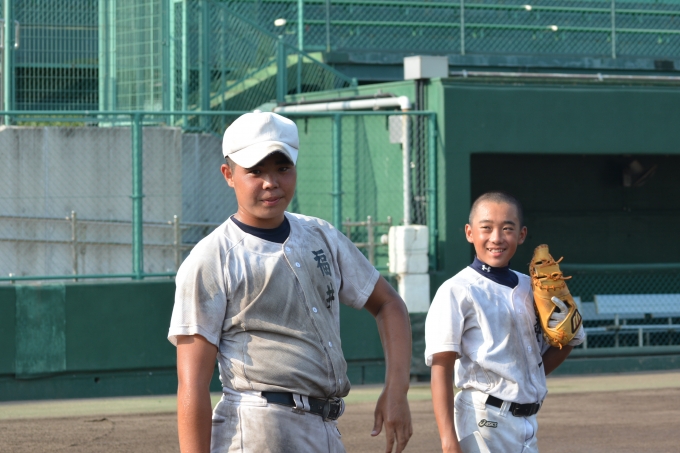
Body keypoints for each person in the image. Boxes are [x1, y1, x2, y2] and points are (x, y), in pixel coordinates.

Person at [168, 111, 413, 453]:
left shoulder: (320, 235)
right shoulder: (213, 257)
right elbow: (192, 382)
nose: (271, 182)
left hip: (326, 427)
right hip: (258, 428)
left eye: (283, 168)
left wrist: (397, 389)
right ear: (228, 174)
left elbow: (389, 304)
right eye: (255, 171)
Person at [424, 191, 584, 453]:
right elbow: (441, 366)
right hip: (482, 419)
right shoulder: (457, 289)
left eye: (507, 228)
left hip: (528, 421)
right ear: (469, 232)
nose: (496, 238)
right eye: (486, 228)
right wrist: (448, 441)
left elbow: (568, 341)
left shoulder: (533, 288)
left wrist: (527, 376)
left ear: (521, 235)